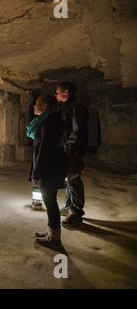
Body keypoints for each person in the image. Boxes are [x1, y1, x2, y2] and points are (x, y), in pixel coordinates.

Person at [27, 95, 67, 248]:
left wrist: (36, 173)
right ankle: (51, 231)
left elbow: (45, 148)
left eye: (36, 103)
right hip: (51, 166)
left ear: (44, 106)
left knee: (50, 201)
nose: (33, 106)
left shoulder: (50, 121)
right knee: (50, 201)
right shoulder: (51, 119)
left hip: (50, 168)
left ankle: (54, 238)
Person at [55, 81, 89, 226]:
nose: (56, 94)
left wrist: (69, 146)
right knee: (68, 179)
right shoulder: (68, 107)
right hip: (68, 148)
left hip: (73, 149)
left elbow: (77, 130)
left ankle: (76, 212)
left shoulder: (76, 107)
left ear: (66, 92)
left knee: (73, 179)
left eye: (58, 92)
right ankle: (69, 207)